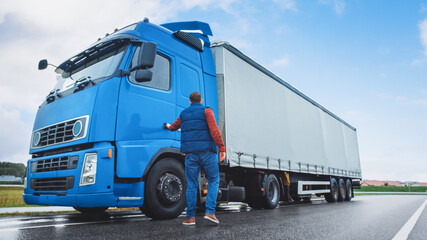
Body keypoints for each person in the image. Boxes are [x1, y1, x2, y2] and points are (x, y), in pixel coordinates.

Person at [165, 92, 226, 226]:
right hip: (207, 153)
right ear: (201, 100)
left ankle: (190, 217)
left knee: (192, 184)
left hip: (191, 155)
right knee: (214, 180)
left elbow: (174, 127)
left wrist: (168, 126)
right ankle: (210, 212)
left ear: (190, 101)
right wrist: (221, 148)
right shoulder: (207, 111)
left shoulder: (184, 113)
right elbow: (214, 131)